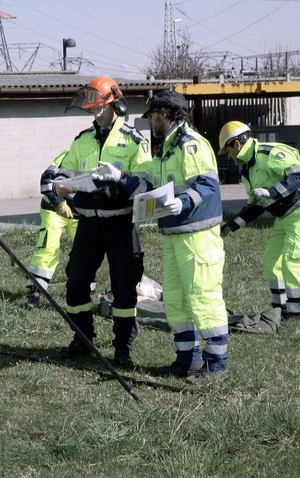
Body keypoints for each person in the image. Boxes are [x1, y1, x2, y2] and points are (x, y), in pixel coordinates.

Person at [104, 90, 229, 384]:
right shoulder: (167, 149)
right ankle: (188, 360)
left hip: (198, 237)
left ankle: (217, 365)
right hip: (175, 236)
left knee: (203, 298)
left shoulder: (191, 146)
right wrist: (120, 177)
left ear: (165, 114)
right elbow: (148, 180)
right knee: (175, 299)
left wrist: (183, 202)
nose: (149, 122)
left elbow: (208, 185)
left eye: (151, 116)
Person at [54, 76, 152, 368]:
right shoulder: (82, 140)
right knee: (76, 283)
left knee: (124, 286)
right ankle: (82, 339)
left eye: (99, 108)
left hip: (121, 224)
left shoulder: (134, 141)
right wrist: (60, 185)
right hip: (88, 224)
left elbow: (146, 183)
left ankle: (122, 348)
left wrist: (119, 183)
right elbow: (65, 172)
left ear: (114, 104)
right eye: (90, 109)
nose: (94, 114)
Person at [218, 121, 300, 323]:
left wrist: (271, 192)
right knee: (271, 260)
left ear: (237, 144)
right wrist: (229, 228)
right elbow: (257, 205)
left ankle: (298, 317)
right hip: (284, 215)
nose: (229, 157)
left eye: (228, 151)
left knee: (294, 261)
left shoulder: (270, 153)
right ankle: (280, 311)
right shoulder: (247, 171)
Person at [25, 150, 97, 310]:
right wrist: (58, 202)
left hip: (81, 214)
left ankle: (88, 292)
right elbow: (46, 180)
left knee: (88, 252)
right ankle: (35, 292)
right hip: (54, 209)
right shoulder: (69, 155)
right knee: (48, 248)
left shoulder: (104, 158)